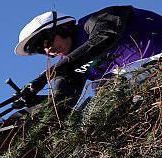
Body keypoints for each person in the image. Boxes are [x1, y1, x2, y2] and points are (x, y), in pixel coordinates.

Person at [14, 7, 162, 111]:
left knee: (109, 87)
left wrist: (46, 75)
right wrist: (37, 103)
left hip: (158, 62)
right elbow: (62, 103)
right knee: (101, 93)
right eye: (41, 50)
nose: (48, 51)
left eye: (47, 42)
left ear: (63, 28)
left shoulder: (99, 19)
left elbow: (102, 40)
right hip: (144, 84)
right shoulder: (72, 65)